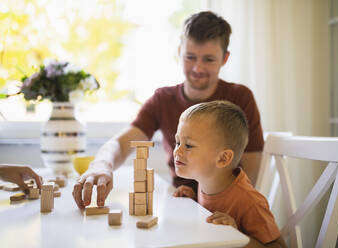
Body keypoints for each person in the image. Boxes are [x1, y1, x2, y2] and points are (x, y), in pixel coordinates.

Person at [73, 11, 264, 209]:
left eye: (209, 59)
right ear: (179, 52)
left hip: (226, 208)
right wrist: (101, 165)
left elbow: (250, 173)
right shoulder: (163, 99)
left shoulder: (240, 97)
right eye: (190, 57)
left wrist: (212, 204)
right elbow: (120, 144)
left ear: (225, 58)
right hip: (180, 203)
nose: (198, 68)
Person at [173, 101, 285, 248]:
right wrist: (193, 200)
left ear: (222, 158)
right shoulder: (207, 182)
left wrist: (237, 236)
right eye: (177, 142)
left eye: (188, 145)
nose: (177, 151)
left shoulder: (250, 202)